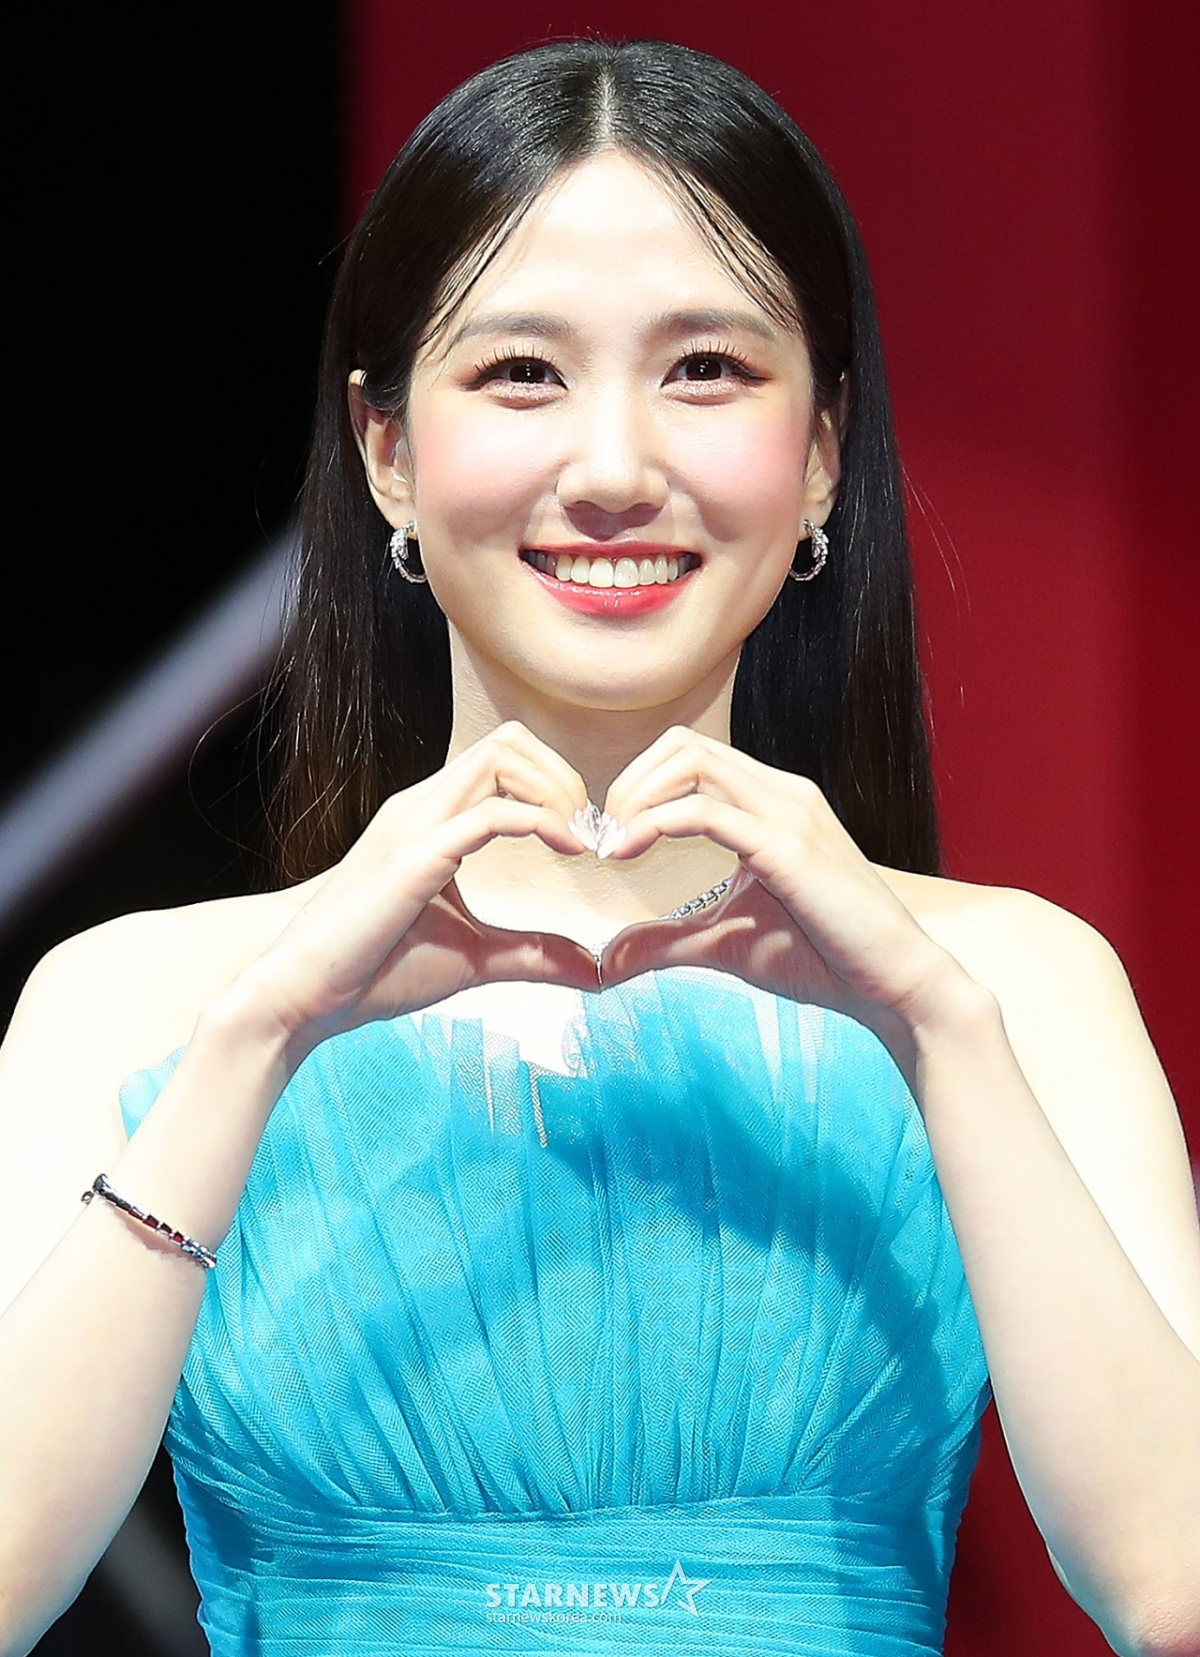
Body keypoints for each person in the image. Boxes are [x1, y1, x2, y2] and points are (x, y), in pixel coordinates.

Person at [1, 37, 1198, 1657]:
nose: (618, 469)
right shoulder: (138, 1001)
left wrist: (933, 1025)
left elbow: (1171, 1583)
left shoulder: (1014, 986)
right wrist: (262, 1036)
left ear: (823, 449)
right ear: (387, 453)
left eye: (706, 369)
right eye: (521, 373)